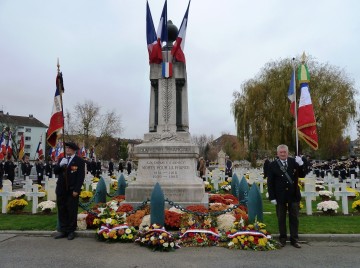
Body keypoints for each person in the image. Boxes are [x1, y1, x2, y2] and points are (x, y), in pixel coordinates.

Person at [267, 144, 306, 249]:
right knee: (281, 218)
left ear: (288, 153)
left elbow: (302, 174)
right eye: (281, 152)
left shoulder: (294, 162)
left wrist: (301, 164)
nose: (283, 154)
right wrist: (272, 197)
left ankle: (295, 240)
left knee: (294, 218)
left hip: (293, 195)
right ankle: (282, 239)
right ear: (277, 153)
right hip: (280, 196)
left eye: (285, 152)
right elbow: (270, 182)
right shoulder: (272, 165)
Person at [53, 141, 85, 240]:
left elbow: (80, 177)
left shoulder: (79, 161)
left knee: (71, 210)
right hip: (61, 189)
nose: (67, 150)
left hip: (72, 190)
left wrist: (76, 189)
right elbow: (55, 171)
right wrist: (60, 165)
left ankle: (71, 231)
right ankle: (63, 230)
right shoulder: (62, 159)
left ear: (73, 150)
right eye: (66, 148)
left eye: (69, 148)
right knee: (62, 209)